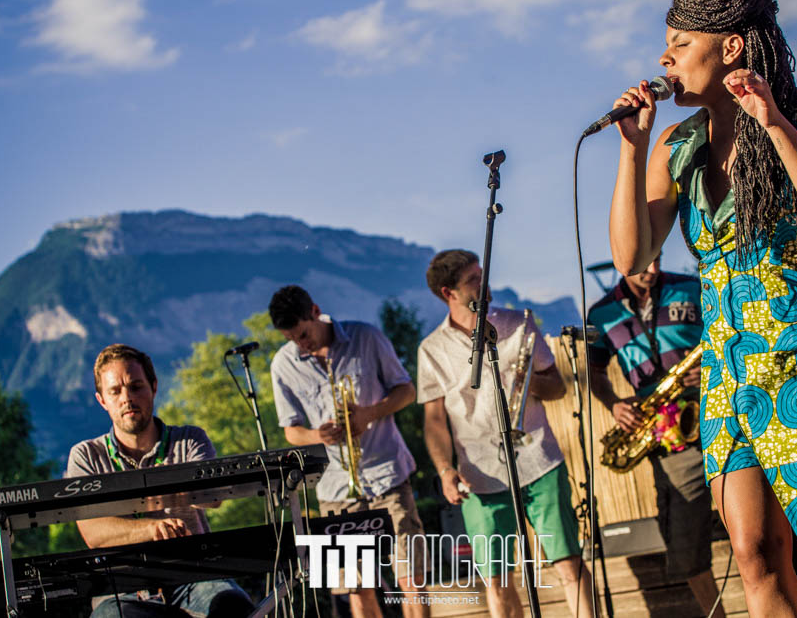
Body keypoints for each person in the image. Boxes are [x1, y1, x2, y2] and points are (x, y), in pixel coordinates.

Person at [605, 0, 797, 616]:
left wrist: (772, 122)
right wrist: (633, 146)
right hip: (732, 373)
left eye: (679, 43)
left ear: (729, 48)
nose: (663, 59)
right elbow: (632, 254)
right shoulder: (678, 146)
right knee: (755, 552)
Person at [418, 249, 595, 618]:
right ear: (448, 292)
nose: (484, 285)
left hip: (538, 460)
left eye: (482, 276)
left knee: (568, 564)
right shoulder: (431, 350)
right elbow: (434, 421)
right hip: (479, 474)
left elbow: (557, 388)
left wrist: (526, 380)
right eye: (473, 281)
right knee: (497, 581)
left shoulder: (519, 323)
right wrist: (445, 471)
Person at [268, 285, 428, 618]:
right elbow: (290, 430)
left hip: (387, 474)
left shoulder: (366, 337)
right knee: (357, 587)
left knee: (411, 576)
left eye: (303, 334)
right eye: (292, 339)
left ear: (315, 311)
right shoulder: (282, 364)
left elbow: (407, 390)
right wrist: (316, 435)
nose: (301, 344)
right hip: (335, 489)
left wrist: (369, 414)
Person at [66, 344, 256, 618]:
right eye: (115, 391)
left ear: (154, 387)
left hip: (196, 576)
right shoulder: (86, 455)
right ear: (102, 400)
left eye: (136, 386)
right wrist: (152, 528)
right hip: (123, 588)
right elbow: (94, 532)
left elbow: (213, 496)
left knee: (233, 605)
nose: (127, 398)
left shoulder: (190, 439)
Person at [585, 255, 726, 618]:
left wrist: (712, 368)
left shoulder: (691, 287)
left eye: (657, 259)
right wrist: (613, 404)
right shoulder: (600, 313)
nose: (652, 270)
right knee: (684, 544)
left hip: (717, 415)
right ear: (621, 261)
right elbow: (595, 371)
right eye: (642, 263)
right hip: (665, 436)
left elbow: (728, 336)